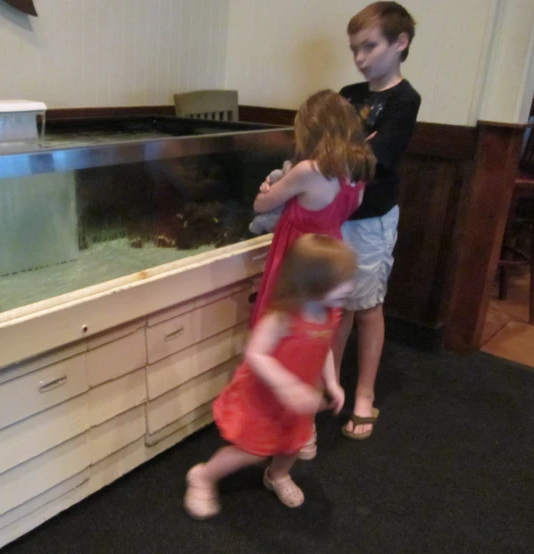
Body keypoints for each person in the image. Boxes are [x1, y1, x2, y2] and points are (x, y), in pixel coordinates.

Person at [183, 234, 356, 519]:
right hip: (264, 399)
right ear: (310, 282)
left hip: (298, 402)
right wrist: (286, 385)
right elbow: (255, 353)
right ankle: (203, 476)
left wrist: (332, 383)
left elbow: (323, 347)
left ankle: (277, 475)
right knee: (251, 450)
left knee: (292, 444)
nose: (349, 287)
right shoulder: (282, 317)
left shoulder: (329, 314)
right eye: (340, 282)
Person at [333, 2, 422, 440]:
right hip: (338, 214)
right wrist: (351, 151)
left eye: (369, 46)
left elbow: (374, 161)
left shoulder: (405, 100)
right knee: (337, 306)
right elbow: (327, 150)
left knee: (367, 307)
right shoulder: (349, 94)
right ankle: (329, 385)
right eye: (354, 49)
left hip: (372, 219)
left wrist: (351, 152)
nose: (360, 58)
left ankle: (364, 394)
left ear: (400, 43)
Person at [249, 89, 374, 331]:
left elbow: (261, 205)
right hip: (329, 256)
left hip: (298, 257)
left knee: (282, 327)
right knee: (313, 329)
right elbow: (347, 210)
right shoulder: (358, 173)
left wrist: (266, 189)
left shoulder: (309, 170)